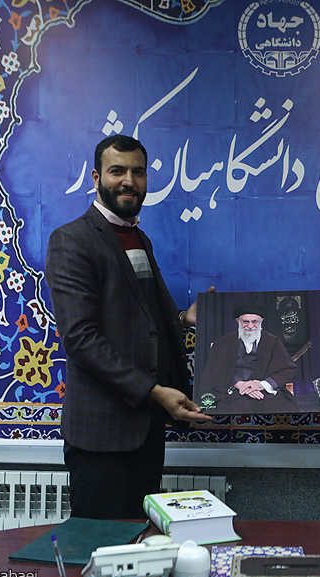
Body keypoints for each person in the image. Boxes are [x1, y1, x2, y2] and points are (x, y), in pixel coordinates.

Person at [45, 134, 212, 519]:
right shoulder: (71, 240)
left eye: (138, 172)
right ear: (96, 177)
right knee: (100, 545)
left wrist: (183, 319)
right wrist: (154, 392)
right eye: (117, 171)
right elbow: (81, 339)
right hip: (101, 437)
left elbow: (140, 315)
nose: (129, 181)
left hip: (145, 431)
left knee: (141, 540)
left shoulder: (137, 238)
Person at [197, 301, 300, 414]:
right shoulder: (223, 343)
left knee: (278, 407)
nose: (250, 326)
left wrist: (261, 385)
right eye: (246, 322)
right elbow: (213, 373)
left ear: (261, 321)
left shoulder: (272, 341)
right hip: (231, 391)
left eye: (254, 321)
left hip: (264, 391)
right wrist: (237, 383)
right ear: (238, 321)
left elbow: (288, 369)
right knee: (230, 408)